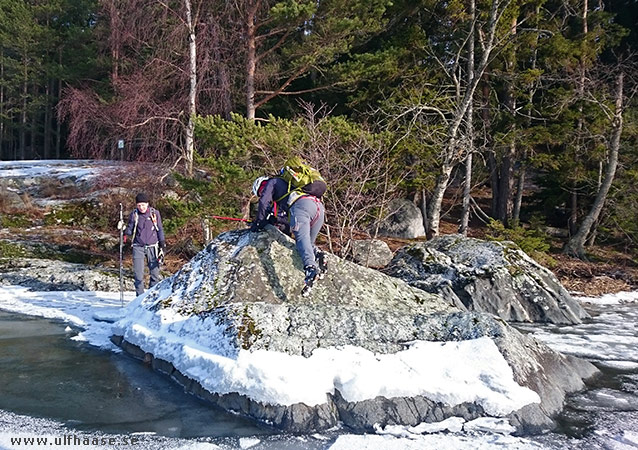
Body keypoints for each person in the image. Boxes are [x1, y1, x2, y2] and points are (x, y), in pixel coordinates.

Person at [251, 175, 327, 288]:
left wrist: (258, 223)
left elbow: (264, 203)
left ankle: (310, 268)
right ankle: (319, 255)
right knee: (308, 243)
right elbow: (285, 221)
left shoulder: (271, 182)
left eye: (260, 192)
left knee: (302, 239)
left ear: (261, 185)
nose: (261, 194)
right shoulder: (288, 188)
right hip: (318, 207)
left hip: (302, 206)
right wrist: (272, 221)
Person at [124, 193, 166, 296]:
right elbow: (130, 230)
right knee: (138, 275)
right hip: (138, 246)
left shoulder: (154, 213)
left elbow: (159, 229)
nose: (141, 207)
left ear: (147, 204)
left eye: (143, 205)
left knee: (155, 274)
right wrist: (124, 230)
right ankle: (139, 298)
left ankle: (151, 297)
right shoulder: (134, 215)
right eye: (139, 205)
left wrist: (162, 244)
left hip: (153, 246)